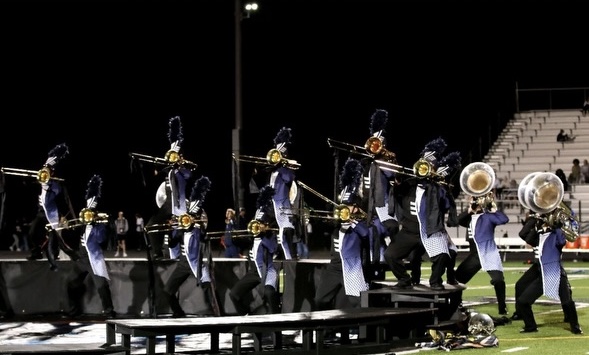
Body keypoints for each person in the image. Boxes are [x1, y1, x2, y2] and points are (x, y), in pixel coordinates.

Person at [384, 137, 461, 291]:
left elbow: (445, 205)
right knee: (390, 255)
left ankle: (435, 282)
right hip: (409, 231)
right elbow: (395, 189)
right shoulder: (408, 184)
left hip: (430, 231)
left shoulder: (438, 189)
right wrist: (396, 178)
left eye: (428, 167)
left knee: (443, 255)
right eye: (423, 165)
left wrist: (439, 184)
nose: (423, 169)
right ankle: (404, 279)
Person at [314, 158, 371, 311]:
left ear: (356, 208)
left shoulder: (361, 224)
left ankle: (364, 331)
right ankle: (324, 331)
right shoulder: (337, 223)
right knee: (319, 300)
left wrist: (352, 221)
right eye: (344, 206)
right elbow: (323, 225)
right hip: (334, 267)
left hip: (351, 266)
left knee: (358, 303)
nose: (346, 209)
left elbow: (366, 234)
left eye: (349, 207)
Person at [513, 212, 583, 334]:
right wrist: (536, 219)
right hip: (543, 276)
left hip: (556, 274)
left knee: (567, 302)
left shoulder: (555, 235)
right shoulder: (538, 236)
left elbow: (562, 242)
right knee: (523, 302)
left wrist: (557, 226)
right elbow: (526, 237)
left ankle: (575, 327)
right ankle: (531, 327)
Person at [161, 176, 221, 317]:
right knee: (167, 291)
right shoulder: (179, 226)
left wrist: (193, 224)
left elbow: (203, 234)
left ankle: (217, 316)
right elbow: (172, 243)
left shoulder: (197, 224)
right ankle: (179, 314)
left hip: (197, 261)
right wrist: (170, 230)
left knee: (208, 289)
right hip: (184, 262)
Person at [144, 116, 195, 260]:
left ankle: (185, 253)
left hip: (181, 205)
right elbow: (154, 175)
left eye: (176, 156)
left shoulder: (185, 169)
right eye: (172, 156)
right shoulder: (168, 169)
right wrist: (156, 166)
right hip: (168, 205)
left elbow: (188, 175)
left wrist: (180, 164)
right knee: (151, 226)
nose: (173, 159)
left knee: (178, 234)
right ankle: (157, 253)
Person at [65, 175, 116, 318]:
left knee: (101, 286)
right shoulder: (82, 220)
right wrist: (68, 227)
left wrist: (96, 224)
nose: (86, 216)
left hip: (93, 258)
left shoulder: (100, 225)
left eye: (89, 214)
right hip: (82, 258)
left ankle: (109, 311)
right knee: (71, 282)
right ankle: (74, 310)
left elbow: (101, 240)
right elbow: (73, 236)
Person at [25, 143, 79, 270]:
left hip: (51, 214)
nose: (44, 171)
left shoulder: (55, 185)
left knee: (57, 239)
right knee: (32, 233)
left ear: (52, 172)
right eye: (44, 169)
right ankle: (36, 252)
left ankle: (73, 255)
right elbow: (30, 182)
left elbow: (57, 192)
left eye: (47, 170)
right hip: (40, 213)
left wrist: (47, 183)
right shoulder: (41, 178)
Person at [455, 193, 510, 315]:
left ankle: (502, 307)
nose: (476, 203)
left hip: (489, 252)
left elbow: (504, 219)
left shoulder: (488, 216)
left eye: (478, 201)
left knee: (498, 280)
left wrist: (493, 208)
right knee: (456, 280)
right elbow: (457, 220)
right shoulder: (468, 218)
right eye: (473, 200)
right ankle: (456, 304)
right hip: (475, 255)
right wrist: (469, 210)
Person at [229, 185, 280, 315]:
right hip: (254, 273)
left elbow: (273, 248)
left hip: (267, 271)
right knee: (234, 294)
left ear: (266, 225)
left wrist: (264, 234)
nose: (256, 225)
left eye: (260, 223)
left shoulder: (269, 236)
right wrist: (233, 230)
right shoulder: (252, 236)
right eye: (256, 222)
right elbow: (237, 241)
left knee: (269, 293)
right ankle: (247, 315)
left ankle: (277, 322)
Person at [267, 127, 301, 260]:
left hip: (282, 203)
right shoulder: (274, 171)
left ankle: (290, 258)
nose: (275, 158)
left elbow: (289, 178)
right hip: (273, 203)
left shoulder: (285, 170)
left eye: (278, 155)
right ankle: (282, 254)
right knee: (279, 232)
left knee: (286, 231)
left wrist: (283, 165)